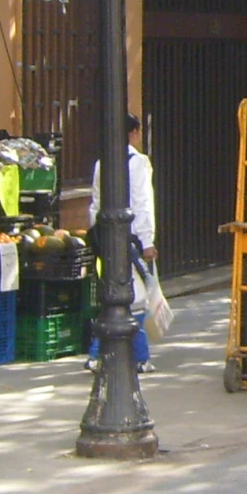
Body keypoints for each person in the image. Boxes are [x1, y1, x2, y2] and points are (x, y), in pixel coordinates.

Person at [90, 114, 159, 367]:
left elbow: (95, 204)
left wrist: (98, 235)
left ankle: (98, 355)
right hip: (131, 238)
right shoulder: (138, 163)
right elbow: (142, 204)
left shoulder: (102, 163)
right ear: (134, 133)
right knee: (137, 297)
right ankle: (138, 357)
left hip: (107, 236)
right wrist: (147, 240)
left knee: (113, 293)